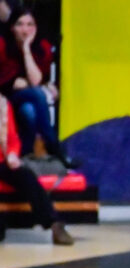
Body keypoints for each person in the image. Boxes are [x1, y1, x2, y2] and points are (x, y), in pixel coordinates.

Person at [0, 8, 75, 167]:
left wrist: (26, 49)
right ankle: (53, 145)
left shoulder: (41, 47)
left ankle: (24, 154)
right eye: (20, 24)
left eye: (30, 24)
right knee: (37, 94)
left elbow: (35, 81)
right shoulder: (3, 45)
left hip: (29, 99)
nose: (25, 30)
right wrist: (12, 82)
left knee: (29, 111)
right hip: (5, 98)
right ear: (12, 27)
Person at [0, 93, 73, 245]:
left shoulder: (3, 105)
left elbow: (13, 140)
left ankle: (53, 224)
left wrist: (13, 154)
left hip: (3, 161)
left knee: (26, 175)